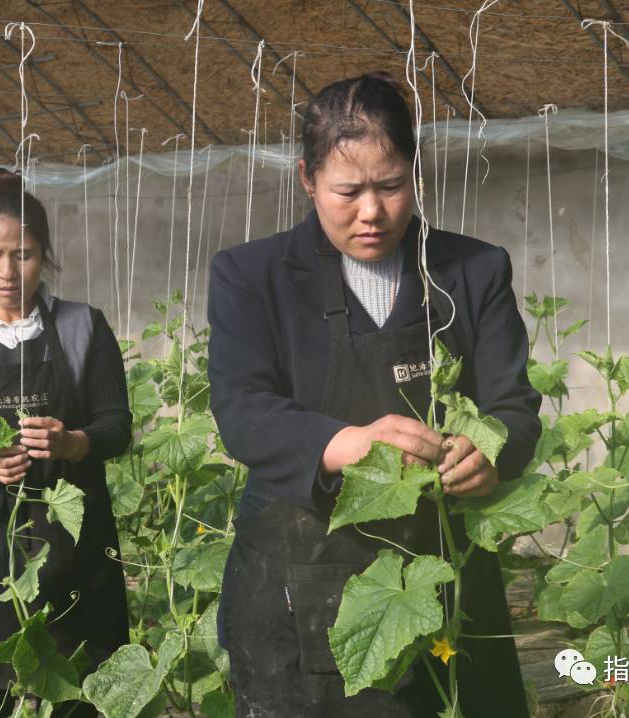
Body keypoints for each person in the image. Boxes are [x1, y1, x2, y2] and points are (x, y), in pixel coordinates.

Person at [207, 73, 541, 717]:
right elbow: (242, 410)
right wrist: (344, 442)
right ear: (308, 179)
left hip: (443, 564)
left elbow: (513, 406)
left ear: (414, 173)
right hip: (297, 576)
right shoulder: (252, 276)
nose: (371, 211)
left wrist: (490, 453)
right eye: (347, 191)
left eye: (390, 186)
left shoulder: (472, 271)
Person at [0, 168, 131, 718]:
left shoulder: (86, 327)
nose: (8, 272)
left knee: (80, 696)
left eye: (25, 255)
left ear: (45, 254)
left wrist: (74, 442)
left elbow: (117, 425)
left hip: (72, 548)